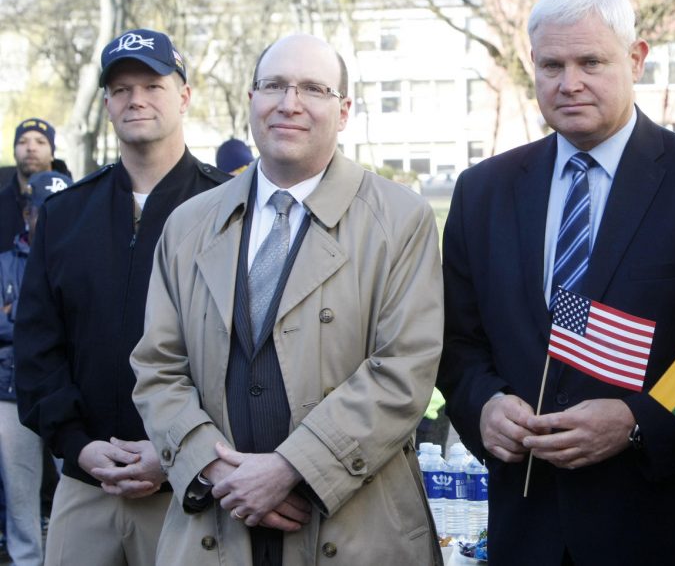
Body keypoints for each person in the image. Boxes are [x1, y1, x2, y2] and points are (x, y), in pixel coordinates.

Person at [436, 0, 675, 565]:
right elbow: (455, 341)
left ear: (637, 58)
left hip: (669, 530)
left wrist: (636, 422)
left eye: (591, 61)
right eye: (552, 65)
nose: (569, 83)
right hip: (529, 530)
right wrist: (484, 405)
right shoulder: (481, 191)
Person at [130, 33, 444, 566]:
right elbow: (158, 366)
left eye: (313, 89)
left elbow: (403, 368)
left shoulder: (400, 219)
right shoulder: (188, 226)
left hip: (353, 527)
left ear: (343, 111)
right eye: (273, 85)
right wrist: (216, 468)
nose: (289, 103)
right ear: (250, 100)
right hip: (218, 522)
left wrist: (291, 468)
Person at [14, 28, 229, 566]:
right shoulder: (65, 216)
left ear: (183, 95)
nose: (136, 99)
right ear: (107, 104)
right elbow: (37, 346)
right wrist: (77, 444)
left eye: (153, 85)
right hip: (87, 484)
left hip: (193, 489)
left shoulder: (231, 208)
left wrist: (178, 451)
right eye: (121, 89)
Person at [0, 171, 71, 566]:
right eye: (39, 212)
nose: (45, 220)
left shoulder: (82, 259)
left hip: (69, 389)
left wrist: (17, 317)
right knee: (20, 489)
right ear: (26, 214)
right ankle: (26, 561)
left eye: (54, 212)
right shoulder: (5, 263)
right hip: (9, 391)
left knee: (78, 486)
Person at [0, 119, 55, 253]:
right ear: (14, 152)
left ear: (52, 153)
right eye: (22, 142)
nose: (31, 148)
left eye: (40, 142)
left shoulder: (72, 198)